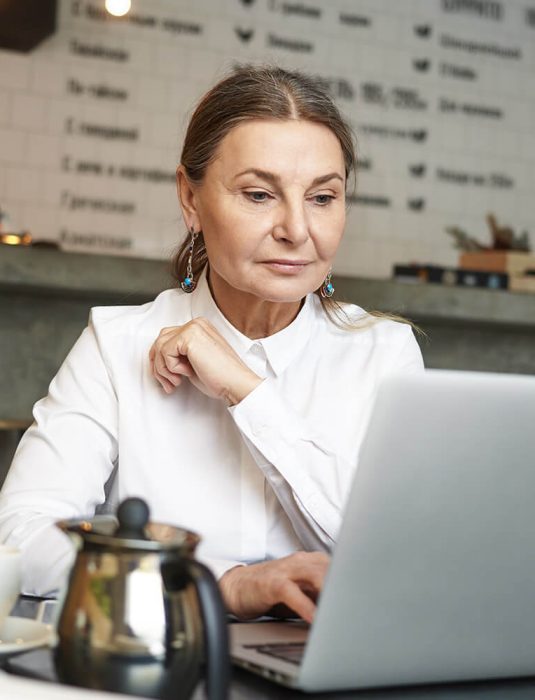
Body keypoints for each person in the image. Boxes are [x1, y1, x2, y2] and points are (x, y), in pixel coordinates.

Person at [0, 65, 423, 622]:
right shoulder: (117, 343)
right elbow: (19, 542)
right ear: (191, 200)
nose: (297, 228)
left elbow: (402, 560)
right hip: (160, 661)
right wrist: (214, 587)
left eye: (322, 197)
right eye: (258, 194)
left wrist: (246, 392)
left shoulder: (385, 353)